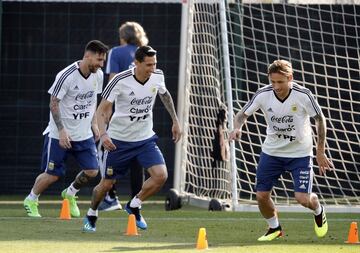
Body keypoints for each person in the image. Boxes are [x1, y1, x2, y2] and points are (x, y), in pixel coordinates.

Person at [229, 60, 333, 241]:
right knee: (261, 195)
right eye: (273, 82)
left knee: (302, 199)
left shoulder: (303, 95)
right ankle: (274, 228)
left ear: (290, 78)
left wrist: (320, 151)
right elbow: (242, 114)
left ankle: (318, 208)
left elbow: (320, 119)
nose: (276, 86)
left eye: (280, 82)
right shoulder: (263, 94)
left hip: (300, 154)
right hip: (272, 153)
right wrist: (237, 127)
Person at [82, 45, 181, 232]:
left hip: (145, 139)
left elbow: (165, 95)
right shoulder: (120, 80)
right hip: (118, 141)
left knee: (161, 176)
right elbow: (101, 110)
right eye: (148, 65)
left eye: (154, 64)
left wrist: (175, 121)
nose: (152, 68)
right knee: (106, 184)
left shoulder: (158, 76)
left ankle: (134, 204)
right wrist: (103, 135)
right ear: (136, 63)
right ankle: (91, 213)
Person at [23, 40, 109, 218]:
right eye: (99, 60)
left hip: (84, 134)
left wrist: (94, 124)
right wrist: (61, 130)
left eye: (103, 61)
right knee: (52, 175)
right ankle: (31, 199)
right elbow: (53, 103)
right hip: (58, 134)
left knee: (92, 171)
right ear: (87, 56)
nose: (101, 64)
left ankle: (70, 193)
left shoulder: (98, 75)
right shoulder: (67, 75)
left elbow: (93, 100)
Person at [98, 21, 149, 212]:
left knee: (110, 153)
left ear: (122, 36)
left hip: (120, 114)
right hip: (140, 113)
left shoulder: (116, 53)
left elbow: (112, 85)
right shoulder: (145, 52)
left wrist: (104, 117)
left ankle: (111, 197)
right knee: (137, 159)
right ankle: (137, 202)